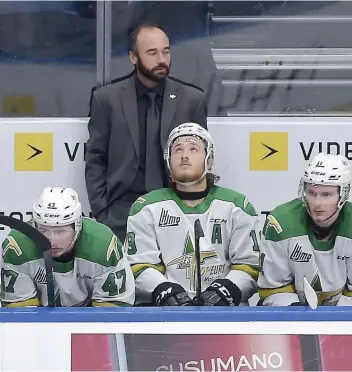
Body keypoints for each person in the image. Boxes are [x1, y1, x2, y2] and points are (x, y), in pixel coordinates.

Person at [86, 22, 208, 243]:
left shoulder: (192, 100)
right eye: (152, 53)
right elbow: (96, 158)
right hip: (121, 213)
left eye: (166, 51)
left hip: (177, 207)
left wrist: (195, 207)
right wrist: (103, 213)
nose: (161, 60)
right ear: (134, 57)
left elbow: (202, 158)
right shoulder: (107, 99)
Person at [125, 123, 260, 306]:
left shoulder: (236, 206)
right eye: (177, 150)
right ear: (168, 161)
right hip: (164, 317)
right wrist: (164, 290)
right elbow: (138, 266)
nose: (184, 156)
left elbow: (250, 265)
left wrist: (226, 289)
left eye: (194, 149)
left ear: (209, 160)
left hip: (226, 317)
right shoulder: (146, 208)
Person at [0, 187, 135, 307]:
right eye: (43, 230)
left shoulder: (103, 245)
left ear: (77, 226)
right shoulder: (17, 247)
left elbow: (111, 316)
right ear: (34, 225)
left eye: (61, 231)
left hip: (90, 328)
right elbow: (22, 317)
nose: (52, 240)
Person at [258, 152, 352, 306]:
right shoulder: (281, 221)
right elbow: (273, 288)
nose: (317, 203)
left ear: (343, 194)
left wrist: (334, 320)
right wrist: (295, 313)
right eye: (312, 193)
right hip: (291, 318)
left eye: (326, 194)